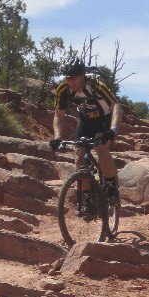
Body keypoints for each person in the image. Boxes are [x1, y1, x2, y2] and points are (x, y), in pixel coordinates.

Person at [49, 58, 123, 200]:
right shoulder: (63, 89)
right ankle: (88, 198)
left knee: (101, 148)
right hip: (85, 121)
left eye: (74, 77)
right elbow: (59, 115)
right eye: (68, 78)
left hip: (104, 119)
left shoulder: (96, 86)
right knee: (79, 158)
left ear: (83, 74)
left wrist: (113, 129)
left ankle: (111, 187)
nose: (71, 82)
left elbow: (117, 107)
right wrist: (57, 137)